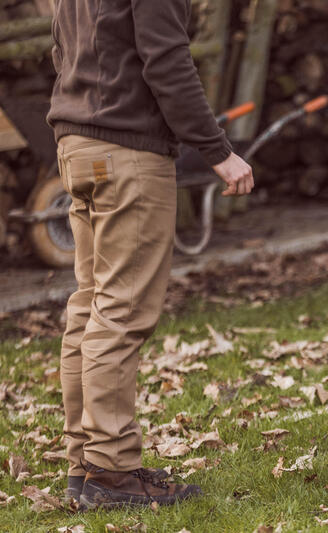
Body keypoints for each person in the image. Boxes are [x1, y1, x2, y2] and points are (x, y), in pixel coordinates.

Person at [47, 0, 254, 509]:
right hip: (127, 152)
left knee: (90, 306)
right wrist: (217, 151)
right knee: (120, 311)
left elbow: (61, 49)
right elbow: (165, 59)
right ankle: (112, 471)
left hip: (78, 143)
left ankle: (87, 465)